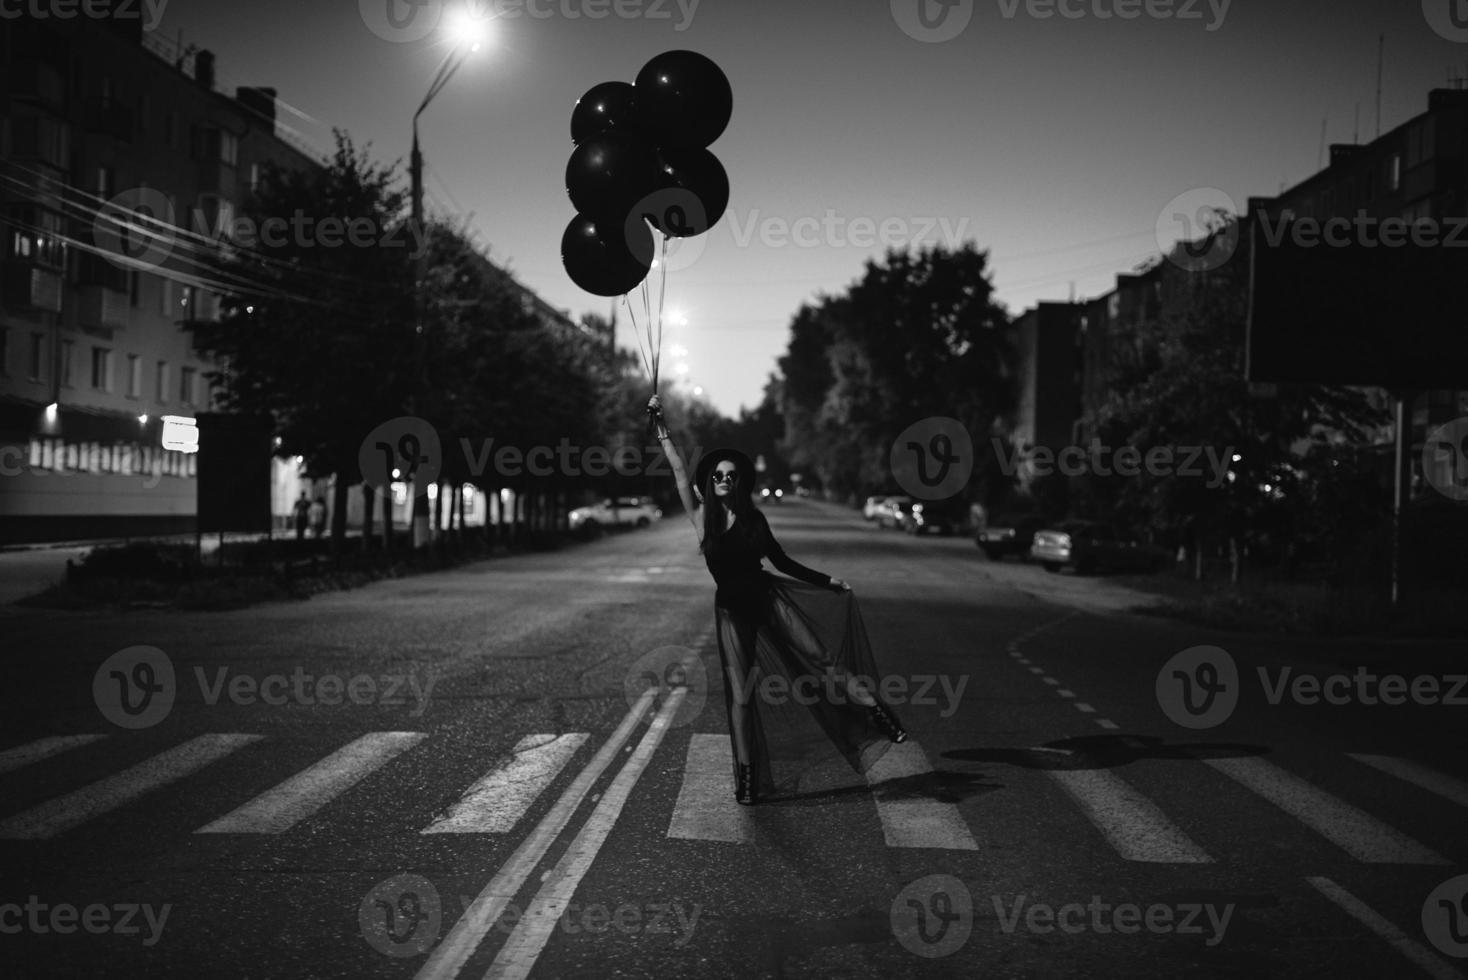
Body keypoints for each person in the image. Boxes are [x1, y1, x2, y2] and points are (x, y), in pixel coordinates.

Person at [648, 394, 907, 806]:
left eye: (731, 476)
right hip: (732, 612)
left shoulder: (755, 520)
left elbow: (782, 561)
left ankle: (877, 713)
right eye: (718, 476)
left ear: (740, 482)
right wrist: (661, 427)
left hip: (768, 598)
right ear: (710, 482)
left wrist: (826, 581)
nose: (725, 481)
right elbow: (679, 471)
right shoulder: (701, 518)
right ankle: (747, 781)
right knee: (740, 697)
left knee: (822, 659)